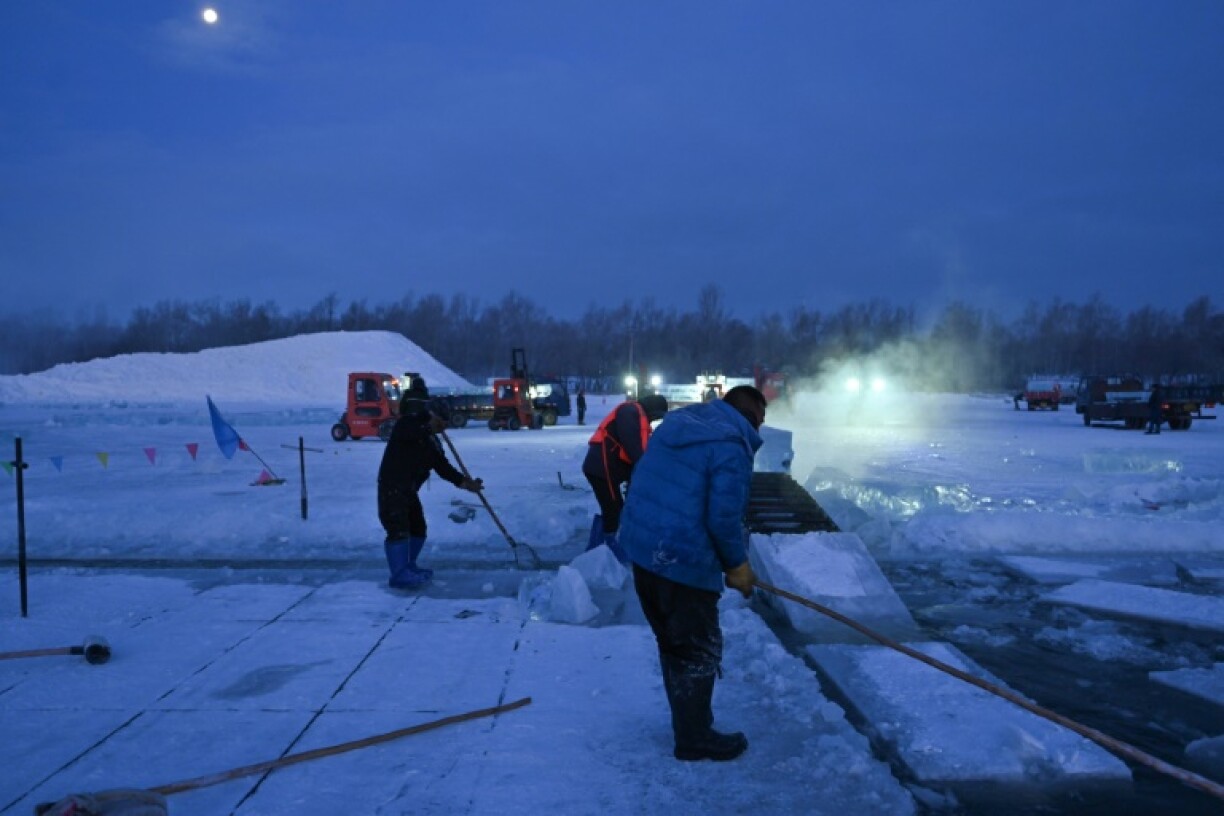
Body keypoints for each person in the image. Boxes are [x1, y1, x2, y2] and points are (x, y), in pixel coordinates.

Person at [618, 385, 766, 762]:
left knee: (673, 642)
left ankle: (690, 721)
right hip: (681, 561)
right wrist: (737, 565)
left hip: (645, 553)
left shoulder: (676, 426)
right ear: (751, 418)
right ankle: (694, 736)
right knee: (698, 649)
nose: (760, 432)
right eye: (760, 422)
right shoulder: (731, 447)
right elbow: (723, 518)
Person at [377, 387, 482, 588]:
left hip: (408, 490)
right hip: (392, 487)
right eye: (442, 423)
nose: (444, 428)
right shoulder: (408, 424)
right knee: (398, 529)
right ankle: (399, 574)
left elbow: (443, 468)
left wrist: (465, 483)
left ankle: (409, 565)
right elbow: (409, 432)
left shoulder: (431, 441)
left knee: (418, 528)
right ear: (431, 416)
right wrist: (427, 428)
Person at [582, 393, 669, 558]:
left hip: (606, 469)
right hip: (602, 468)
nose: (654, 420)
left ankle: (598, 546)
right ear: (652, 409)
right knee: (613, 509)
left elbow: (636, 455)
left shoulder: (639, 417)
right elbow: (634, 449)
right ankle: (608, 550)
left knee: (615, 508)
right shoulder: (629, 412)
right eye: (656, 416)